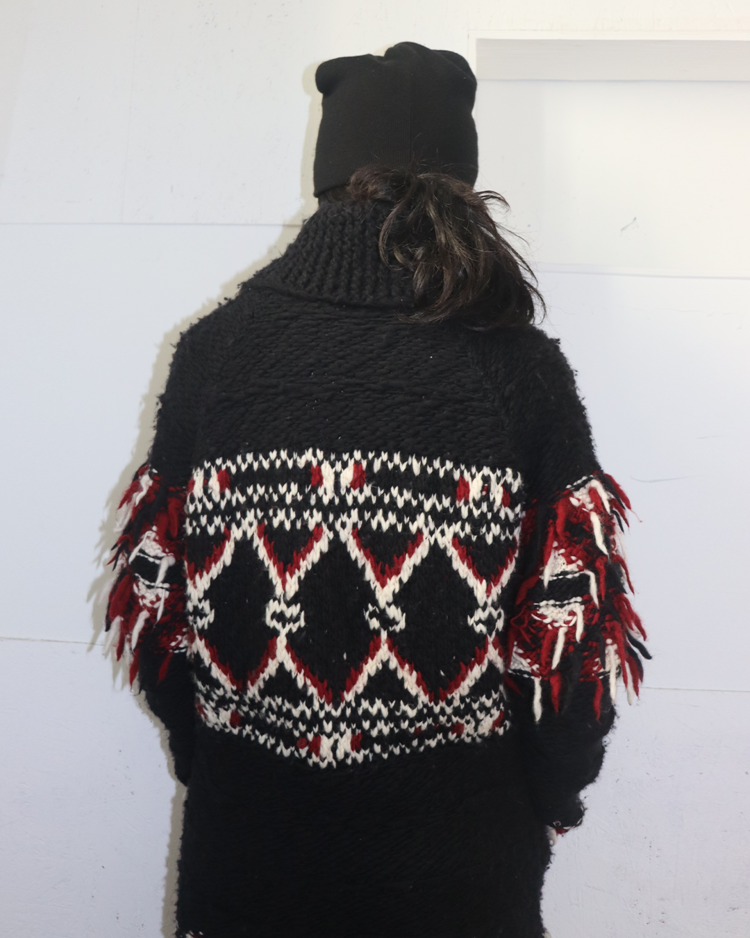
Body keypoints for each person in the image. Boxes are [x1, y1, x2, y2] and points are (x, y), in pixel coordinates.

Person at [105, 41, 648, 938]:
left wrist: (219, 758)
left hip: (250, 847)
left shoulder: (216, 351)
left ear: (329, 177)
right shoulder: (515, 366)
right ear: (464, 185)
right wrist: (555, 790)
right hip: (459, 864)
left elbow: (157, 603)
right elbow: (569, 639)